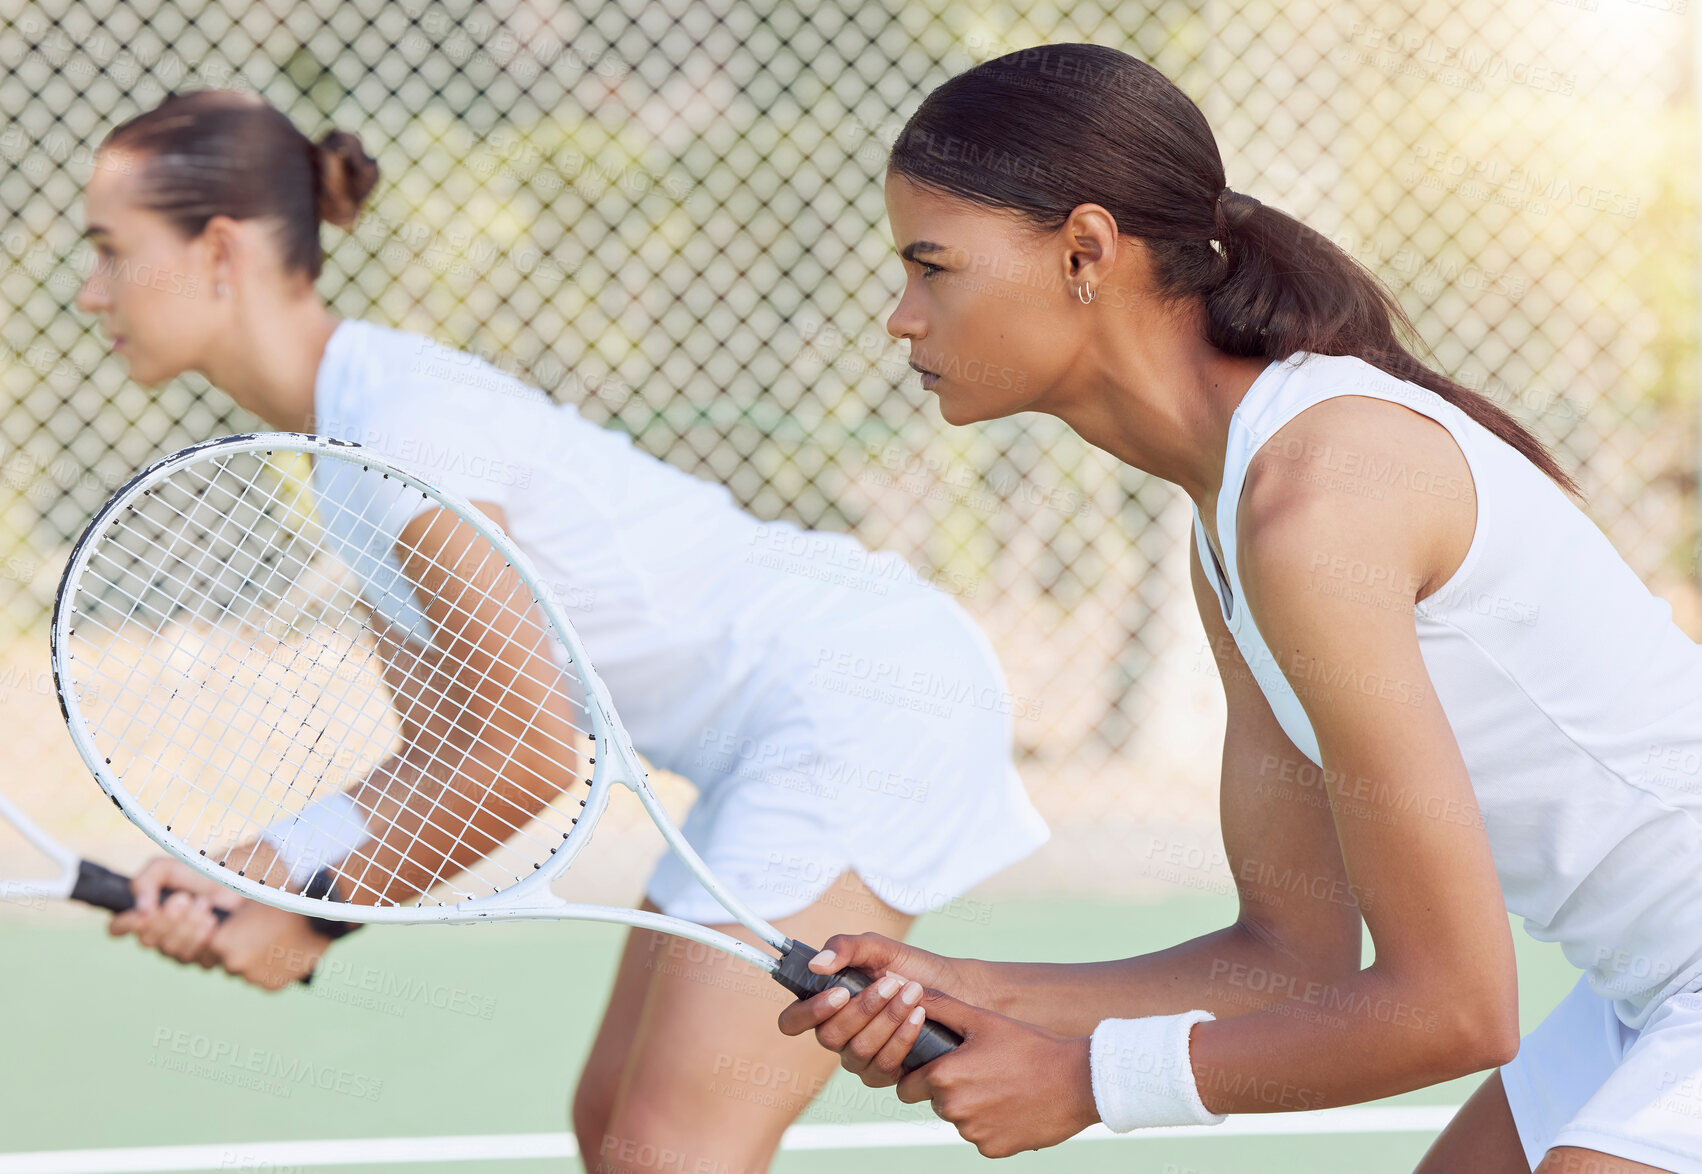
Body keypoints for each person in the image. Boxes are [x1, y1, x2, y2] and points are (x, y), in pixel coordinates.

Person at [73, 88, 1048, 1173]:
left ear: (218, 251)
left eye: (112, 250)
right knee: (617, 1135)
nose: (88, 289)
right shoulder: (348, 441)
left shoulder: (402, 430)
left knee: (668, 1155)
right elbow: (445, 753)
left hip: (860, 702)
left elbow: (530, 755)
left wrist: (312, 915)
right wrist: (256, 870)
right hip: (774, 735)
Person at [778, 43, 1702, 1174]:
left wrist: (1085, 1081)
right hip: (1654, 982)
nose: (902, 317)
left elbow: (1456, 1009)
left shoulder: (1315, 502)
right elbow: (1290, 956)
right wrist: (958, 987)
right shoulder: (1232, 529)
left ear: (1084, 252)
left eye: (933, 266)